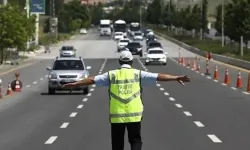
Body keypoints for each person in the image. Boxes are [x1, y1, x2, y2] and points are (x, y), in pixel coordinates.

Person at [62, 51, 191, 150]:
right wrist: (176, 77)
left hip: (117, 116)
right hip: (134, 115)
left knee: (117, 144)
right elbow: (159, 76)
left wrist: (76, 83)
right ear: (131, 62)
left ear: (119, 61)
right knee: (135, 141)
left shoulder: (111, 75)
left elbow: (92, 79)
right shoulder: (138, 74)